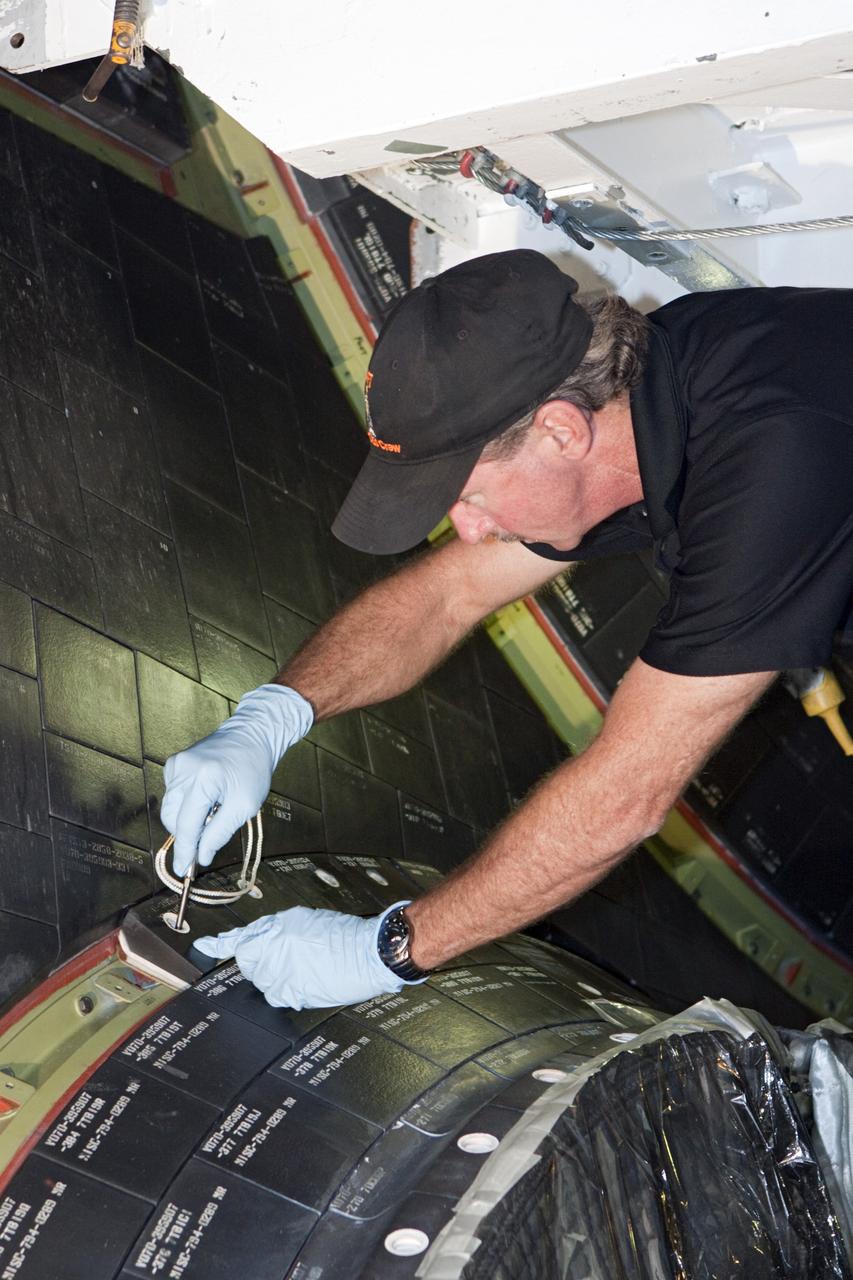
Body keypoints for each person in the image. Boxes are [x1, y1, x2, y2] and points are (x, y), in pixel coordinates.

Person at [161, 249, 853, 1010]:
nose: (465, 527)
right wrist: (272, 715)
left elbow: (627, 794)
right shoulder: (647, 396)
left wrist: (391, 948)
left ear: (559, 433)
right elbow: (448, 597)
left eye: (467, 494)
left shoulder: (770, 460)